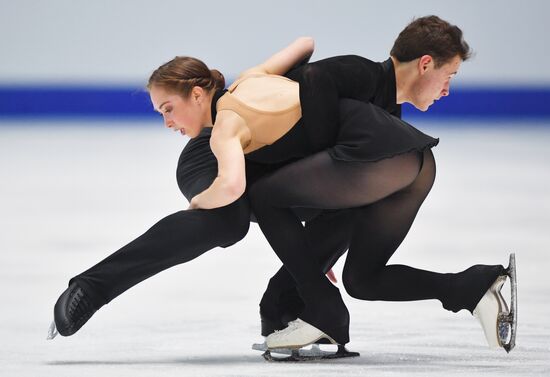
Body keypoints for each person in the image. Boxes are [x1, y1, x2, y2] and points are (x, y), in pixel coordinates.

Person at [50, 16, 512, 352]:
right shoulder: (233, 116)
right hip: (223, 159)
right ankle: (93, 287)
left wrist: (314, 250)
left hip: (289, 163)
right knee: (224, 222)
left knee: (322, 246)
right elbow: (310, 64)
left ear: (196, 93)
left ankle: (305, 308)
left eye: (168, 109)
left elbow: (309, 61)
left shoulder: (278, 92)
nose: (166, 121)